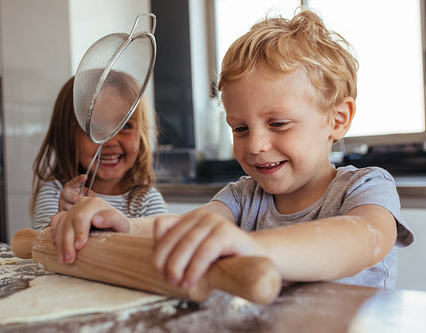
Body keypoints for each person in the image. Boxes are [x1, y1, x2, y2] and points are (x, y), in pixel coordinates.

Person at [49, 10, 414, 289]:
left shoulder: (364, 188)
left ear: (337, 119)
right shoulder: (243, 197)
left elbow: (362, 238)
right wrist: (125, 226)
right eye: (240, 128)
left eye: (278, 124)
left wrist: (255, 247)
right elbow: (188, 228)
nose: (254, 145)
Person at [30, 71, 168, 236]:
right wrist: (64, 220)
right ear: (66, 136)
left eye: (125, 126)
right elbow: (44, 249)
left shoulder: (146, 200)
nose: (110, 141)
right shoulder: (57, 193)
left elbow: (163, 247)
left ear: (141, 134)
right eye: (94, 127)